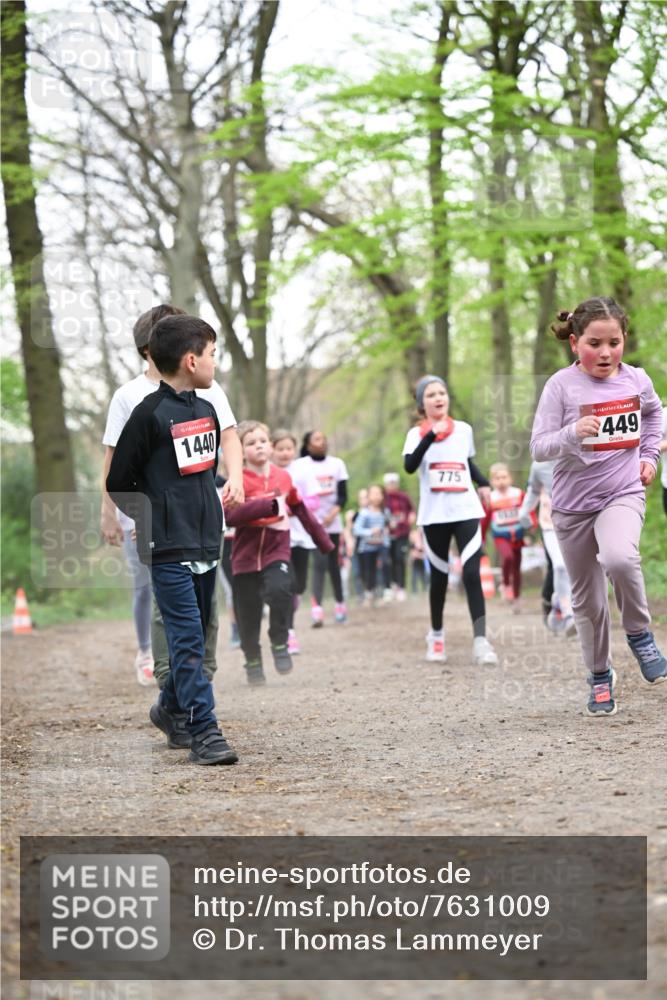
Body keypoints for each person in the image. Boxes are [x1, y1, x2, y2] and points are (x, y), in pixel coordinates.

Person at [107, 314, 244, 764]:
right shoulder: (147, 414)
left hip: (206, 541)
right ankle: (205, 731)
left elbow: (200, 478)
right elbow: (119, 481)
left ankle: (168, 707)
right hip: (167, 547)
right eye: (212, 354)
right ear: (191, 360)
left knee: (199, 634)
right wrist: (154, 520)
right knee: (185, 639)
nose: (214, 362)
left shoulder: (205, 410)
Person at [530, 296, 666, 717]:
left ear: (624, 340)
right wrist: (572, 432)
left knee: (621, 558)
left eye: (614, 342)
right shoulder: (560, 386)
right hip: (572, 507)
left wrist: (649, 457)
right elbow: (538, 448)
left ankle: (641, 635)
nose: (605, 353)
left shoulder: (637, 380)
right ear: (575, 343)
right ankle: (600, 675)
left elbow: (656, 418)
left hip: (622, 492)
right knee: (587, 602)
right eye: (594, 343)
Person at [224, 422, 334, 685]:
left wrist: (324, 542)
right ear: (239, 451)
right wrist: (266, 506)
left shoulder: (283, 479)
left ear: (271, 447)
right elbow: (229, 516)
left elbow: (302, 511)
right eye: (250, 443)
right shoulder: (237, 481)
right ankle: (252, 659)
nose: (258, 446)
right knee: (248, 613)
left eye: (263, 441)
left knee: (282, 590)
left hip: (277, 549)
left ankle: (280, 641)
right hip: (245, 556)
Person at [403, 375, 498, 665]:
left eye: (441, 392)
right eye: (430, 394)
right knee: (440, 579)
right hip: (434, 515)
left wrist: (483, 483)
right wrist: (431, 434)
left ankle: (481, 641)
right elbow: (409, 466)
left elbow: (466, 463)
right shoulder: (415, 434)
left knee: (471, 574)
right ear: (422, 403)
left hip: (466, 510)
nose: (438, 397)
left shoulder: (464, 431)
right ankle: (436, 635)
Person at [271, 429, 321, 654]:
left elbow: (315, 501)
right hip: (277, 536)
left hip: (302, 535)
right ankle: (290, 633)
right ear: (272, 449)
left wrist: (291, 508)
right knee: (286, 585)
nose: (284, 453)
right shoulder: (267, 472)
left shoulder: (303, 469)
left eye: (288, 448)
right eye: (280, 449)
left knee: (298, 584)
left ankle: (294, 600)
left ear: (294, 450)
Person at [518, 460, 575, 636]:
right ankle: (568, 614)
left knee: (576, 569)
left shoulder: (581, 454)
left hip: (577, 523)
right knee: (559, 565)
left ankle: (559, 601)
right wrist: (524, 512)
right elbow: (533, 490)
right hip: (550, 524)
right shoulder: (539, 465)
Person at [298, 430, 349, 626]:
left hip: (332, 522)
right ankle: (317, 609)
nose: (322, 442)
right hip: (310, 523)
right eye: (317, 439)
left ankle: (340, 604)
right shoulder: (301, 466)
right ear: (308, 445)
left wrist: (332, 515)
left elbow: (343, 496)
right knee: (318, 564)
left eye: (324, 439)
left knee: (333, 565)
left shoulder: (337, 464)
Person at [488, 462, 525, 614]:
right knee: (508, 557)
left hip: (517, 534)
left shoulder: (518, 494)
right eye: (497, 478)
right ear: (492, 481)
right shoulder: (490, 497)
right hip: (500, 535)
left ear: (510, 478)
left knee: (516, 567)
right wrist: (481, 539)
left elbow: (528, 511)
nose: (501, 481)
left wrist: (532, 525)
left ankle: (516, 599)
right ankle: (505, 583)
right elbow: (484, 520)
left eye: (504, 477)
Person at [353, 484, 390, 605]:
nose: (377, 497)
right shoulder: (364, 513)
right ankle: (369, 593)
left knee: (385, 564)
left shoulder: (385, 512)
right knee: (369, 571)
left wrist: (387, 533)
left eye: (379, 494)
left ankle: (386, 592)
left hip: (382, 544)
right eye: (374, 494)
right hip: (367, 547)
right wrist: (370, 531)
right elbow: (356, 529)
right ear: (368, 497)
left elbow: (387, 527)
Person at [382, 472, 415, 601]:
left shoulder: (404, 497)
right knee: (389, 560)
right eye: (389, 483)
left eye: (393, 483)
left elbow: (411, 510)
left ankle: (402, 587)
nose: (392, 485)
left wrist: (411, 516)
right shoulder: (383, 499)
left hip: (402, 532)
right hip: (387, 535)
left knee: (400, 558)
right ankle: (393, 585)